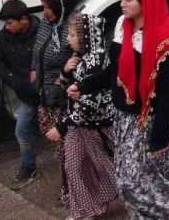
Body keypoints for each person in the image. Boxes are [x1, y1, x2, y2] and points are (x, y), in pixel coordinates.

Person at [68, 0, 169, 218]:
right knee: (126, 179)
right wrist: (85, 85)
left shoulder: (163, 38)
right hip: (123, 118)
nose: (122, 4)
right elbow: (115, 70)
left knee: (143, 181)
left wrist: (160, 138)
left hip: (149, 120)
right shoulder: (123, 25)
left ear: (146, 2)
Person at [47, 13, 117, 219]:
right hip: (79, 127)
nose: (68, 39)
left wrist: (62, 126)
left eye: (71, 35)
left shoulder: (98, 62)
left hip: (96, 127)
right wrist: (66, 72)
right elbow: (65, 88)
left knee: (107, 166)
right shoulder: (80, 59)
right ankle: (86, 208)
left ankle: (133, 194)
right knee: (75, 167)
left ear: (86, 37)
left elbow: (92, 103)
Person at [33, 0, 79, 201]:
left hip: (64, 100)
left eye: (48, 6)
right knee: (61, 148)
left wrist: (63, 73)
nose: (44, 11)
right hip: (46, 96)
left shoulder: (73, 28)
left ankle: (72, 191)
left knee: (67, 150)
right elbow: (38, 49)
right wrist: (34, 68)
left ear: (61, 6)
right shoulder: (46, 23)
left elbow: (78, 65)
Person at [0, 0, 41, 190]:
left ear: (24, 20)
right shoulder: (4, 37)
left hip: (48, 94)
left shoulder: (41, 32)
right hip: (27, 95)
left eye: (9, 23)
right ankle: (29, 168)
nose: (6, 27)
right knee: (22, 131)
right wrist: (15, 81)